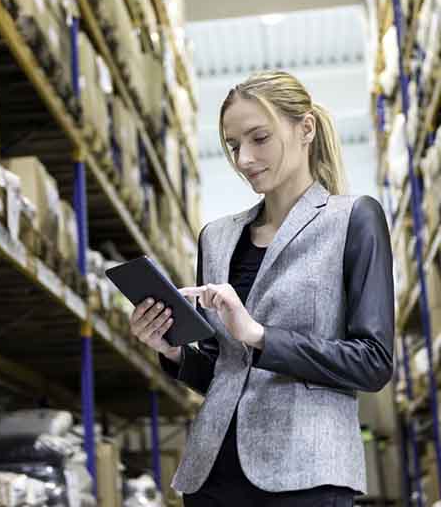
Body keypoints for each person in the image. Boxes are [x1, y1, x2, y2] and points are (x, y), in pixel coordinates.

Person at [129, 71, 394, 507]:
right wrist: (173, 350)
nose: (245, 158)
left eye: (259, 138)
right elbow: (223, 371)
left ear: (305, 128)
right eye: (234, 146)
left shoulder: (353, 220)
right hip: (212, 473)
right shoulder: (215, 237)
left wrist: (258, 335)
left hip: (307, 474)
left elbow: (372, 362)